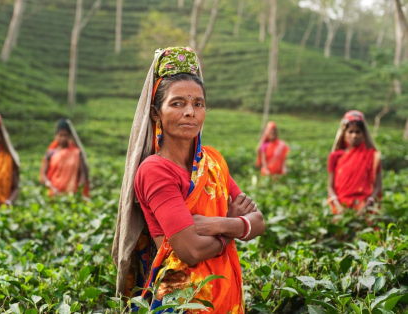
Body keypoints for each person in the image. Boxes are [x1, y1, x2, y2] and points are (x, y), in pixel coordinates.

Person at [112, 47, 265, 313]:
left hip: (223, 290)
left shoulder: (213, 161)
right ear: (155, 113)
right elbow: (190, 251)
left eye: (198, 103)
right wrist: (233, 229)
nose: (190, 112)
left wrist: (215, 223)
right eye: (177, 103)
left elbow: (259, 222)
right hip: (183, 299)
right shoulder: (155, 170)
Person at [327, 110, 382, 214]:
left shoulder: (372, 156)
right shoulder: (335, 156)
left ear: (363, 134)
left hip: (364, 207)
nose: (354, 135)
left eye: (358, 132)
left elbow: (378, 187)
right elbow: (330, 186)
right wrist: (338, 207)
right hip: (340, 207)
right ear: (344, 134)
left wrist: (365, 208)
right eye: (350, 131)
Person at [40, 119, 90, 199]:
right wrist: (50, 186)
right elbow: (43, 174)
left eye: (65, 135)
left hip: (72, 194)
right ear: (56, 136)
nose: (63, 138)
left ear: (69, 136)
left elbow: (82, 173)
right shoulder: (51, 153)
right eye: (60, 135)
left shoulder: (76, 152)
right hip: (53, 192)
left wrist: (80, 188)